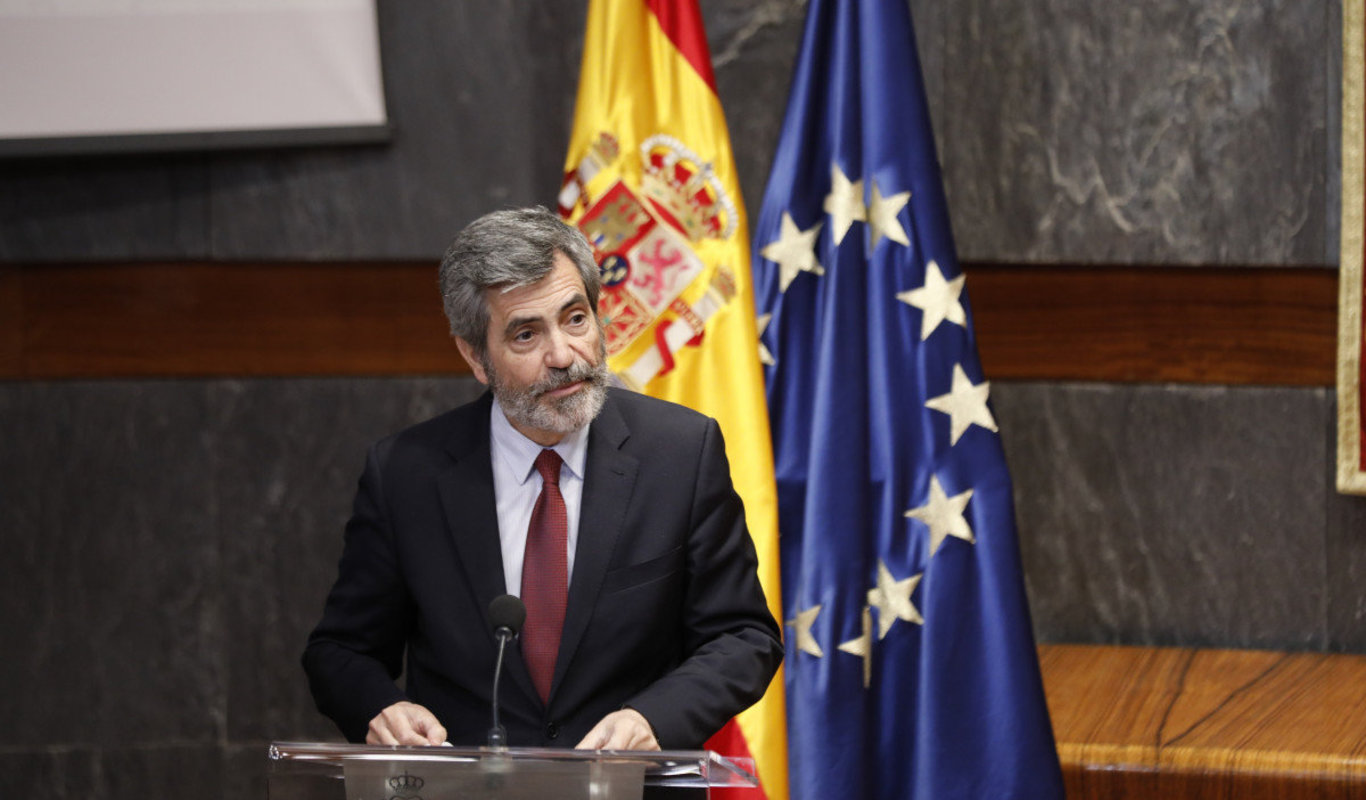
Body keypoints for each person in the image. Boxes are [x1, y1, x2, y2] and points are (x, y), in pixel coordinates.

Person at [303, 207, 782, 751]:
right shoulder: (406, 474)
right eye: (527, 334)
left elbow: (742, 636)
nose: (562, 355)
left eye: (575, 319)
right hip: (468, 787)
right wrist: (381, 708)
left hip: (630, 783)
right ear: (476, 356)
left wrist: (653, 719)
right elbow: (341, 651)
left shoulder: (680, 452)